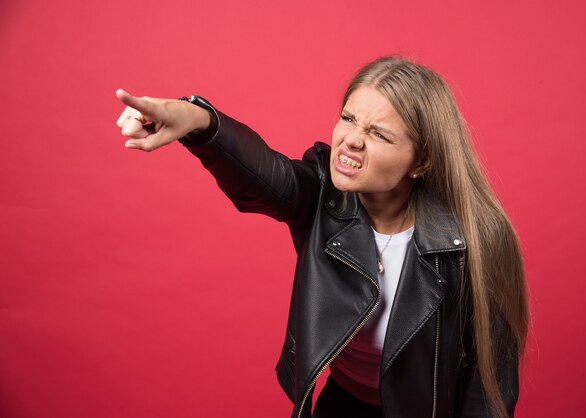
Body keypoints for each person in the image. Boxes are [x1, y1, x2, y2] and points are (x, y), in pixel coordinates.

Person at [115, 56, 528, 418]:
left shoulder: (474, 240)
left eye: (379, 134)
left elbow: (489, 388)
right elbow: (264, 174)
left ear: (422, 161)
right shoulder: (323, 198)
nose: (351, 140)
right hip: (339, 405)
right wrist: (199, 121)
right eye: (348, 118)